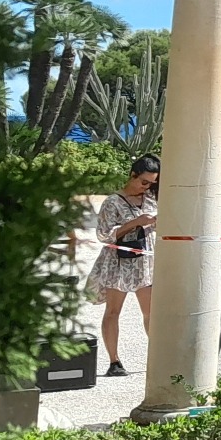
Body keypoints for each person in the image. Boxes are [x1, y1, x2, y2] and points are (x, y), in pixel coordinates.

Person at [88, 155, 159, 377]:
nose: (146, 187)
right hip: (118, 263)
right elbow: (104, 235)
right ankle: (114, 361)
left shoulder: (151, 199)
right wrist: (136, 222)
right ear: (133, 175)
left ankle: (158, 358)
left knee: (151, 313)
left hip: (145, 262)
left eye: (152, 183)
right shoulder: (112, 202)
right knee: (113, 311)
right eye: (144, 182)